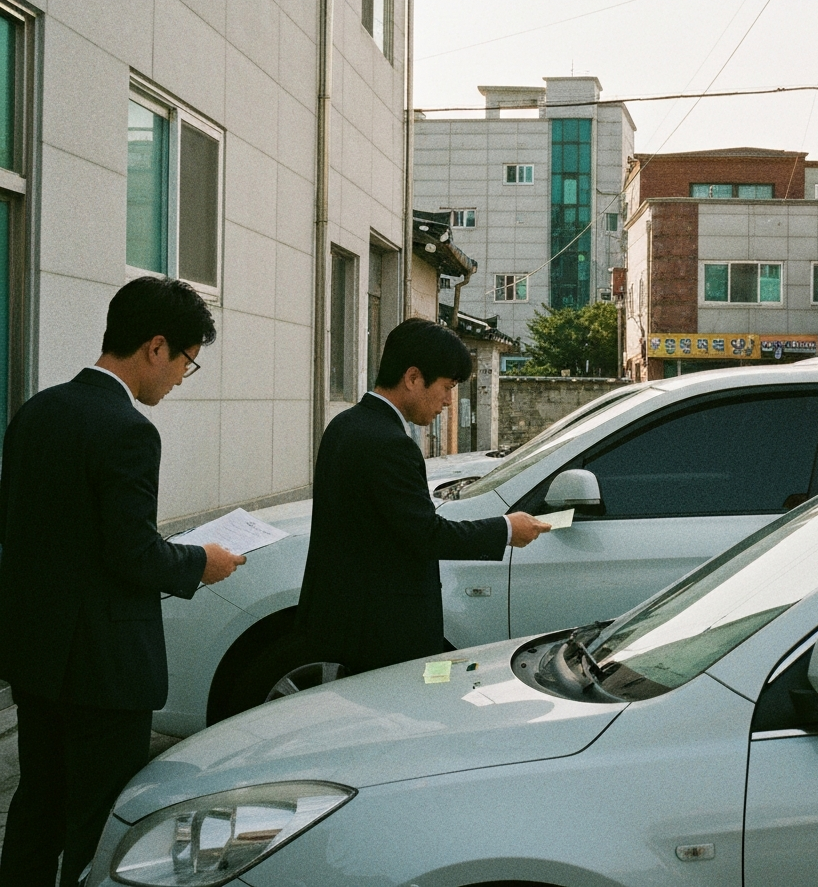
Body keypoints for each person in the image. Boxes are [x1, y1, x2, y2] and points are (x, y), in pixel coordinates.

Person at [0, 277, 246, 887]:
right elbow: (132, 553)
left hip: (37, 655)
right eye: (187, 362)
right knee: (99, 823)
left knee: (37, 807)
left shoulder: (36, 411)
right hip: (104, 669)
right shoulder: (129, 429)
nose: (181, 379)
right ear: (156, 347)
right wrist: (200, 562)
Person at [297, 318, 549, 675]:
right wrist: (506, 529)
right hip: (384, 632)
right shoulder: (389, 443)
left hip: (351, 622)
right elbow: (425, 534)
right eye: (446, 387)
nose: (448, 401)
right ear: (413, 378)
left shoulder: (346, 424)